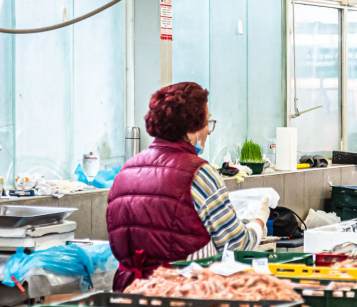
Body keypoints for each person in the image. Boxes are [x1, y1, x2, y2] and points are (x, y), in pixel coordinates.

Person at [107, 82, 268, 291]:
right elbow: (237, 244)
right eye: (207, 122)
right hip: (182, 295)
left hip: (129, 292)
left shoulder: (125, 171)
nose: (209, 131)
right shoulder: (199, 173)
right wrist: (259, 220)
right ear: (191, 128)